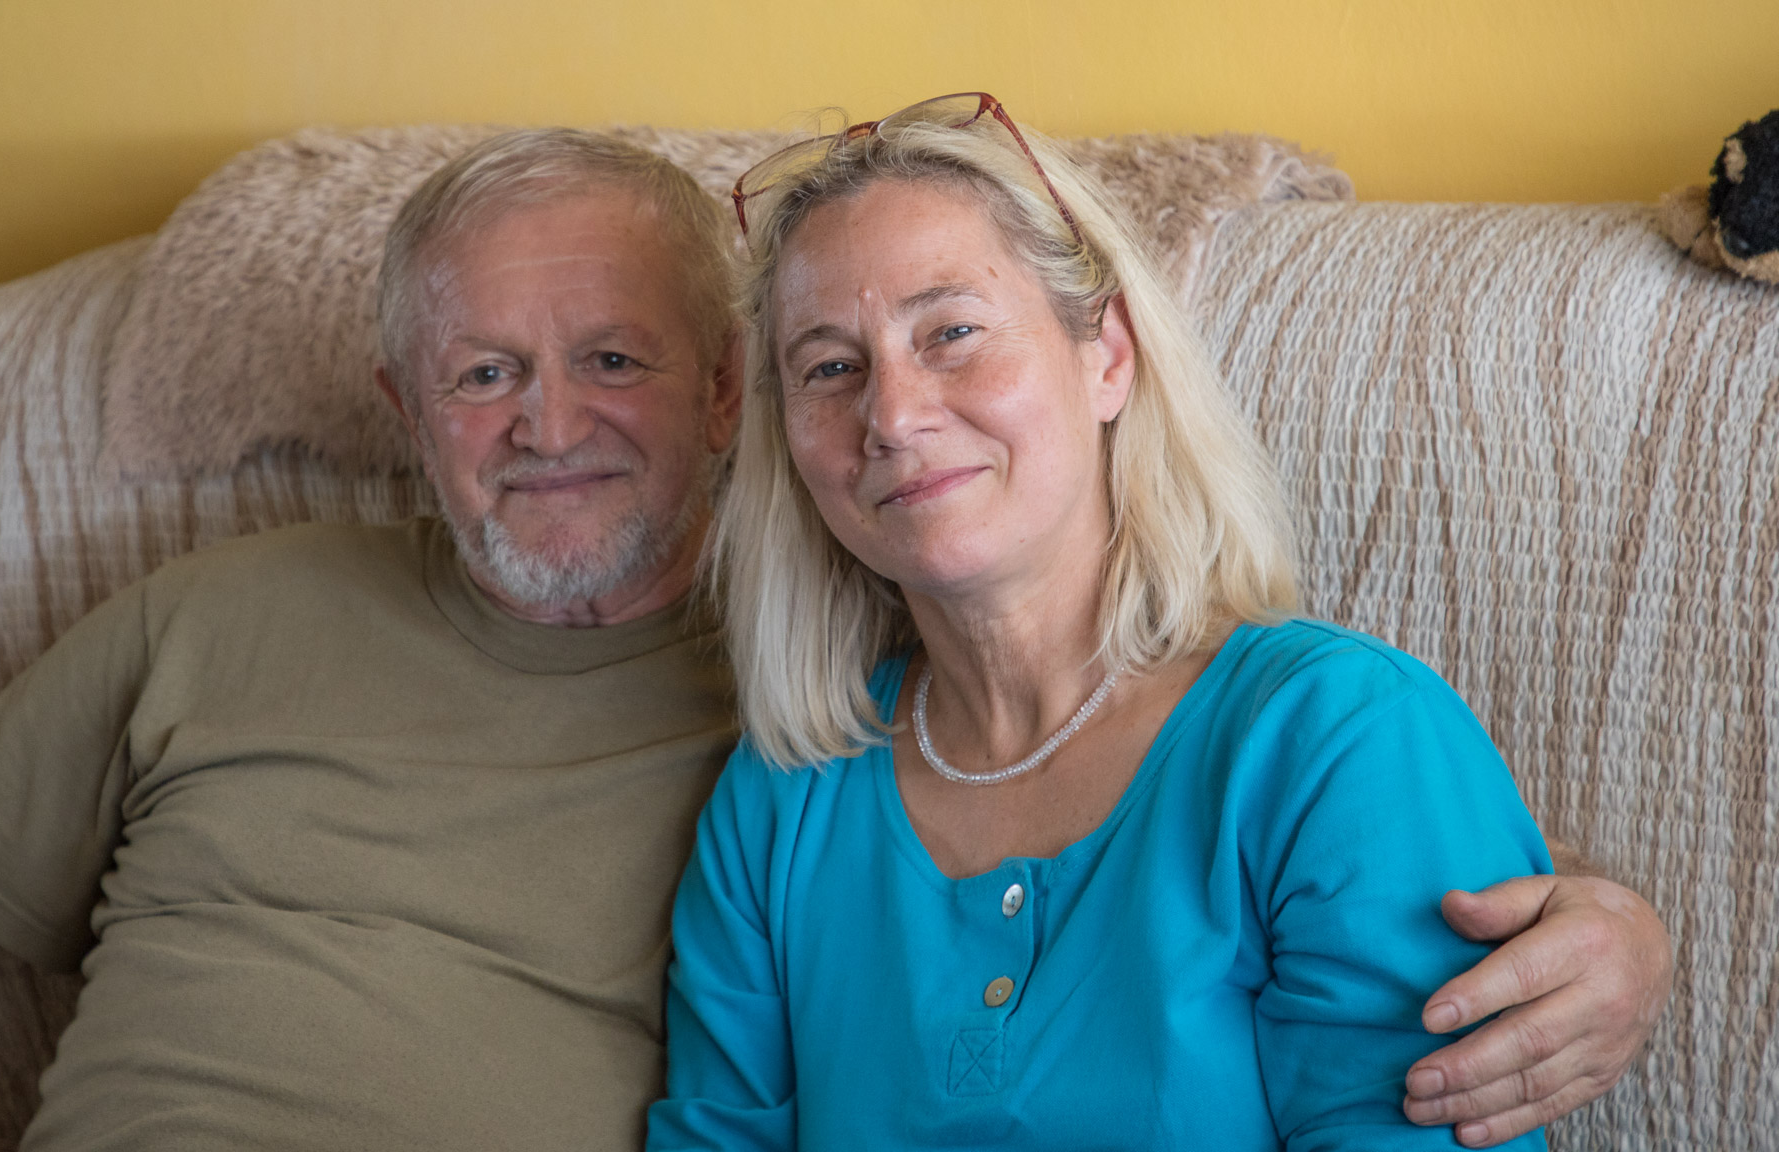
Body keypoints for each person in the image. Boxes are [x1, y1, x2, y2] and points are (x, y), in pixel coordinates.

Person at [0, 128, 1662, 1151]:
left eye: (612, 357)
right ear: (402, 405)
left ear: (721, 398)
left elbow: (1310, 849)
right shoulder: (231, 621)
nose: (546, 423)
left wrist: (1596, 922)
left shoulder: (811, 696)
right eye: (481, 371)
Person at [647, 95, 1658, 1151]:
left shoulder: (1336, 738)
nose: (891, 415)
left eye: (951, 332)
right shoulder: (778, 800)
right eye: (828, 368)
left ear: (1108, 357)